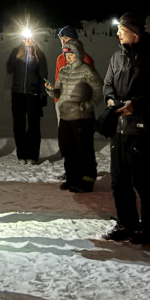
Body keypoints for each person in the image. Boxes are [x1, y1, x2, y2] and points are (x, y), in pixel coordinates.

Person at [100, 13, 150, 244]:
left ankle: (149, 228)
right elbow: (107, 83)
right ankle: (126, 223)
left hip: (142, 129)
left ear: (135, 33)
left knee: (142, 180)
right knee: (119, 180)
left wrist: (135, 105)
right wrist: (110, 99)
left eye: (122, 29)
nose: (118, 33)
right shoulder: (116, 57)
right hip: (119, 128)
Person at [46, 40, 102, 193]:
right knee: (67, 148)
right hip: (65, 116)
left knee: (83, 149)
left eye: (72, 53)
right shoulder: (63, 71)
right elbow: (58, 91)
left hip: (82, 117)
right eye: (67, 54)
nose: (69, 56)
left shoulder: (87, 71)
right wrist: (52, 91)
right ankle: (72, 178)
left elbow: (98, 91)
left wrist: (87, 105)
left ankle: (87, 179)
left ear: (78, 53)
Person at [6, 33, 48, 164]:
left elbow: (43, 75)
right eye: (25, 38)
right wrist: (15, 57)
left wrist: (43, 94)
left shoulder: (39, 54)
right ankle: (21, 154)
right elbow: (9, 68)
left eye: (30, 38)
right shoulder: (16, 51)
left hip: (33, 93)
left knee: (33, 125)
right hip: (18, 93)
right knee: (19, 124)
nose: (27, 40)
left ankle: (32, 155)